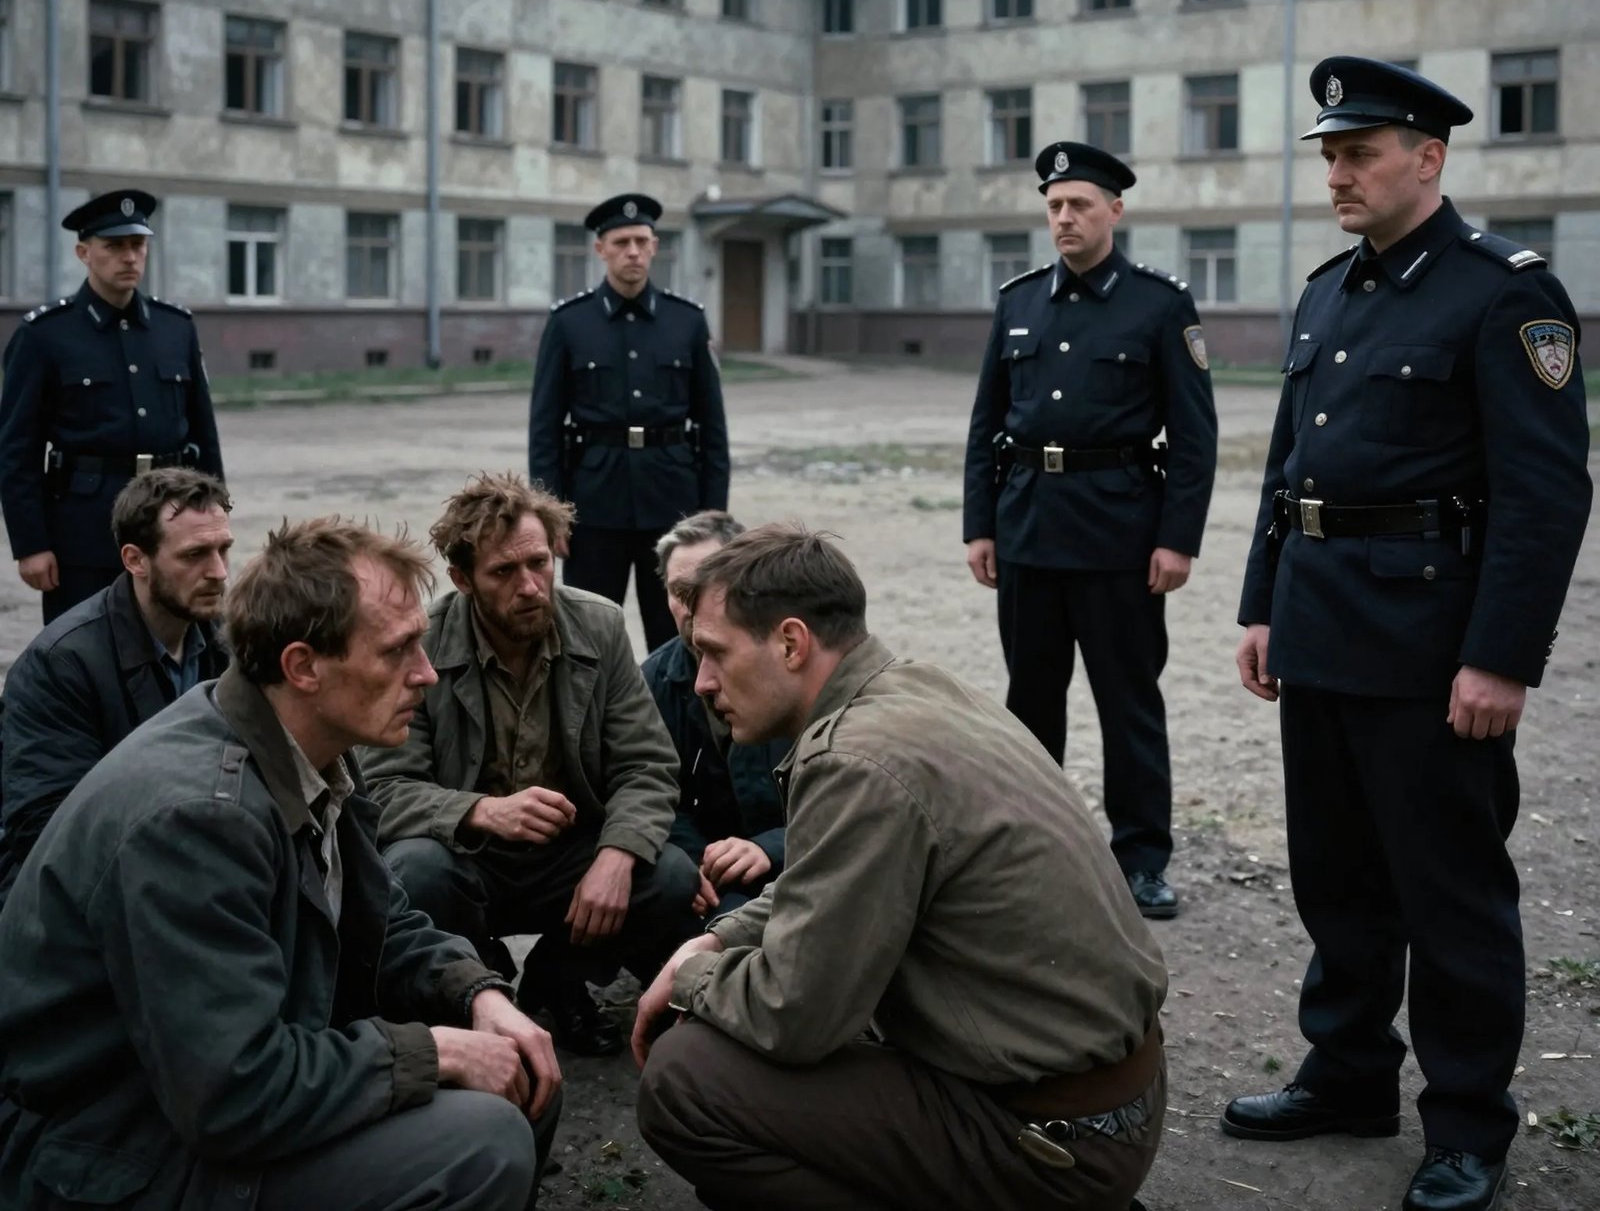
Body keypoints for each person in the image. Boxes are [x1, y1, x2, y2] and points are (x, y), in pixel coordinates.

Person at [1224, 58, 1591, 1211]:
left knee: (1450, 892)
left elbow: (1544, 495)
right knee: (1337, 880)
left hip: (1433, 647)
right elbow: (1290, 468)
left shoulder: (1501, 293)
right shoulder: (1330, 290)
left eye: (1358, 152)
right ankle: (1346, 1077)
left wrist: (1500, 657)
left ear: (1426, 159)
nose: (1336, 173)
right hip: (1323, 625)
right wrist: (1261, 601)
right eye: (1328, 154)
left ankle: (1469, 1122)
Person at [0, 517, 561, 1211]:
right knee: (481, 1144)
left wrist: (477, 995)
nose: (427, 674)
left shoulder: (303, 741)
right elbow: (232, 1093)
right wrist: (433, 1052)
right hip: (110, 1151)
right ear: (303, 666)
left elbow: (382, 916)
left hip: (186, 1110)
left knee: (521, 1069)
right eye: (397, 651)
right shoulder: (198, 819)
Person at [632, 524, 1168, 1211]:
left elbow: (794, 1015)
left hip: (1053, 1140)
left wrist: (690, 977)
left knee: (687, 1080)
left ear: (791, 643)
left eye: (712, 653)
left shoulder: (855, 762)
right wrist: (719, 939)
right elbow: (830, 882)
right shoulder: (912, 690)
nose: (701, 681)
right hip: (1108, 1102)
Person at [962, 141, 1218, 920]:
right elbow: (985, 425)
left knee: (1127, 701)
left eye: (1079, 204)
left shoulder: (1160, 304)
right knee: (1030, 701)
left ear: (1115, 209)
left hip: (1120, 538)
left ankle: (1142, 858)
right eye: (1053, 206)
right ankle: (1034, 848)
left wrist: (1177, 539)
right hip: (1030, 529)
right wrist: (981, 526)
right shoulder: (1019, 302)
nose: (1064, 218)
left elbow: (1194, 435)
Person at [362, 473, 698, 1058]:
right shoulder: (423, 644)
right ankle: (472, 986)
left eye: (539, 563)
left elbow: (646, 765)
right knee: (413, 870)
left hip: (570, 856)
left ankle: (559, 980)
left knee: (667, 875)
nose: (530, 587)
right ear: (463, 579)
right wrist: (481, 811)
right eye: (503, 573)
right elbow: (382, 789)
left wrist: (617, 856)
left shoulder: (598, 624)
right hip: (466, 859)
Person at [0, 467, 232, 904]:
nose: (218, 572)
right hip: (76, 888)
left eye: (224, 550)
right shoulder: (60, 664)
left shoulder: (230, 642)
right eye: (194, 554)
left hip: (200, 859)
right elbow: (45, 826)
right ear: (134, 559)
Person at [0, 187, 224, 624]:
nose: (129, 257)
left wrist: (215, 515)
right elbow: (16, 451)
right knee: (84, 650)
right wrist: (31, 544)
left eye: (137, 245)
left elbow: (204, 432)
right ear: (84, 252)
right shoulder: (45, 335)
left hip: (171, 517)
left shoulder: (174, 327)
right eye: (114, 246)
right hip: (84, 526)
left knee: (178, 641)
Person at [528, 192, 729, 651]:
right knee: (589, 634)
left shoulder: (687, 322)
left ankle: (676, 723)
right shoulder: (569, 323)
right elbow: (544, 431)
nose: (632, 252)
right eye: (621, 242)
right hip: (594, 506)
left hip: (674, 504)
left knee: (680, 633)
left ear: (655, 246)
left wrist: (715, 519)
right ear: (601, 249)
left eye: (641, 241)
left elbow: (713, 430)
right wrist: (549, 517)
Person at [640, 510, 789, 920]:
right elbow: (650, 790)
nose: (689, 605)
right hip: (708, 879)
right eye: (677, 590)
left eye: (705, 587)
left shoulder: (791, 663)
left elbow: (842, 800)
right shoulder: (652, 681)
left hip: (798, 862)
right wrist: (695, 861)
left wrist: (771, 847)